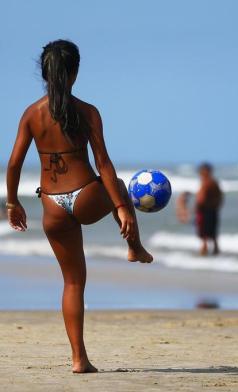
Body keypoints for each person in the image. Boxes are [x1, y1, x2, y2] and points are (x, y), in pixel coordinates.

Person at [6, 40, 153, 373]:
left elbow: (14, 164)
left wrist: (12, 203)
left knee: (72, 283)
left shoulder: (31, 114)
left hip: (53, 208)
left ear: (45, 73)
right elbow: (104, 163)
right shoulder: (87, 111)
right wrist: (122, 208)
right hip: (85, 196)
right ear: (75, 73)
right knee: (117, 187)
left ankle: (78, 359)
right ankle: (135, 247)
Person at [195, 163, 223, 256]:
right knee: (213, 234)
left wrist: (196, 208)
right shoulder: (214, 182)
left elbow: (201, 199)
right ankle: (215, 253)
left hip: (205, 211)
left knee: (204, 236)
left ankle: (203, 254)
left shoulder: (207, 182)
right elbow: (220, 198)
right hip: (212, 210)